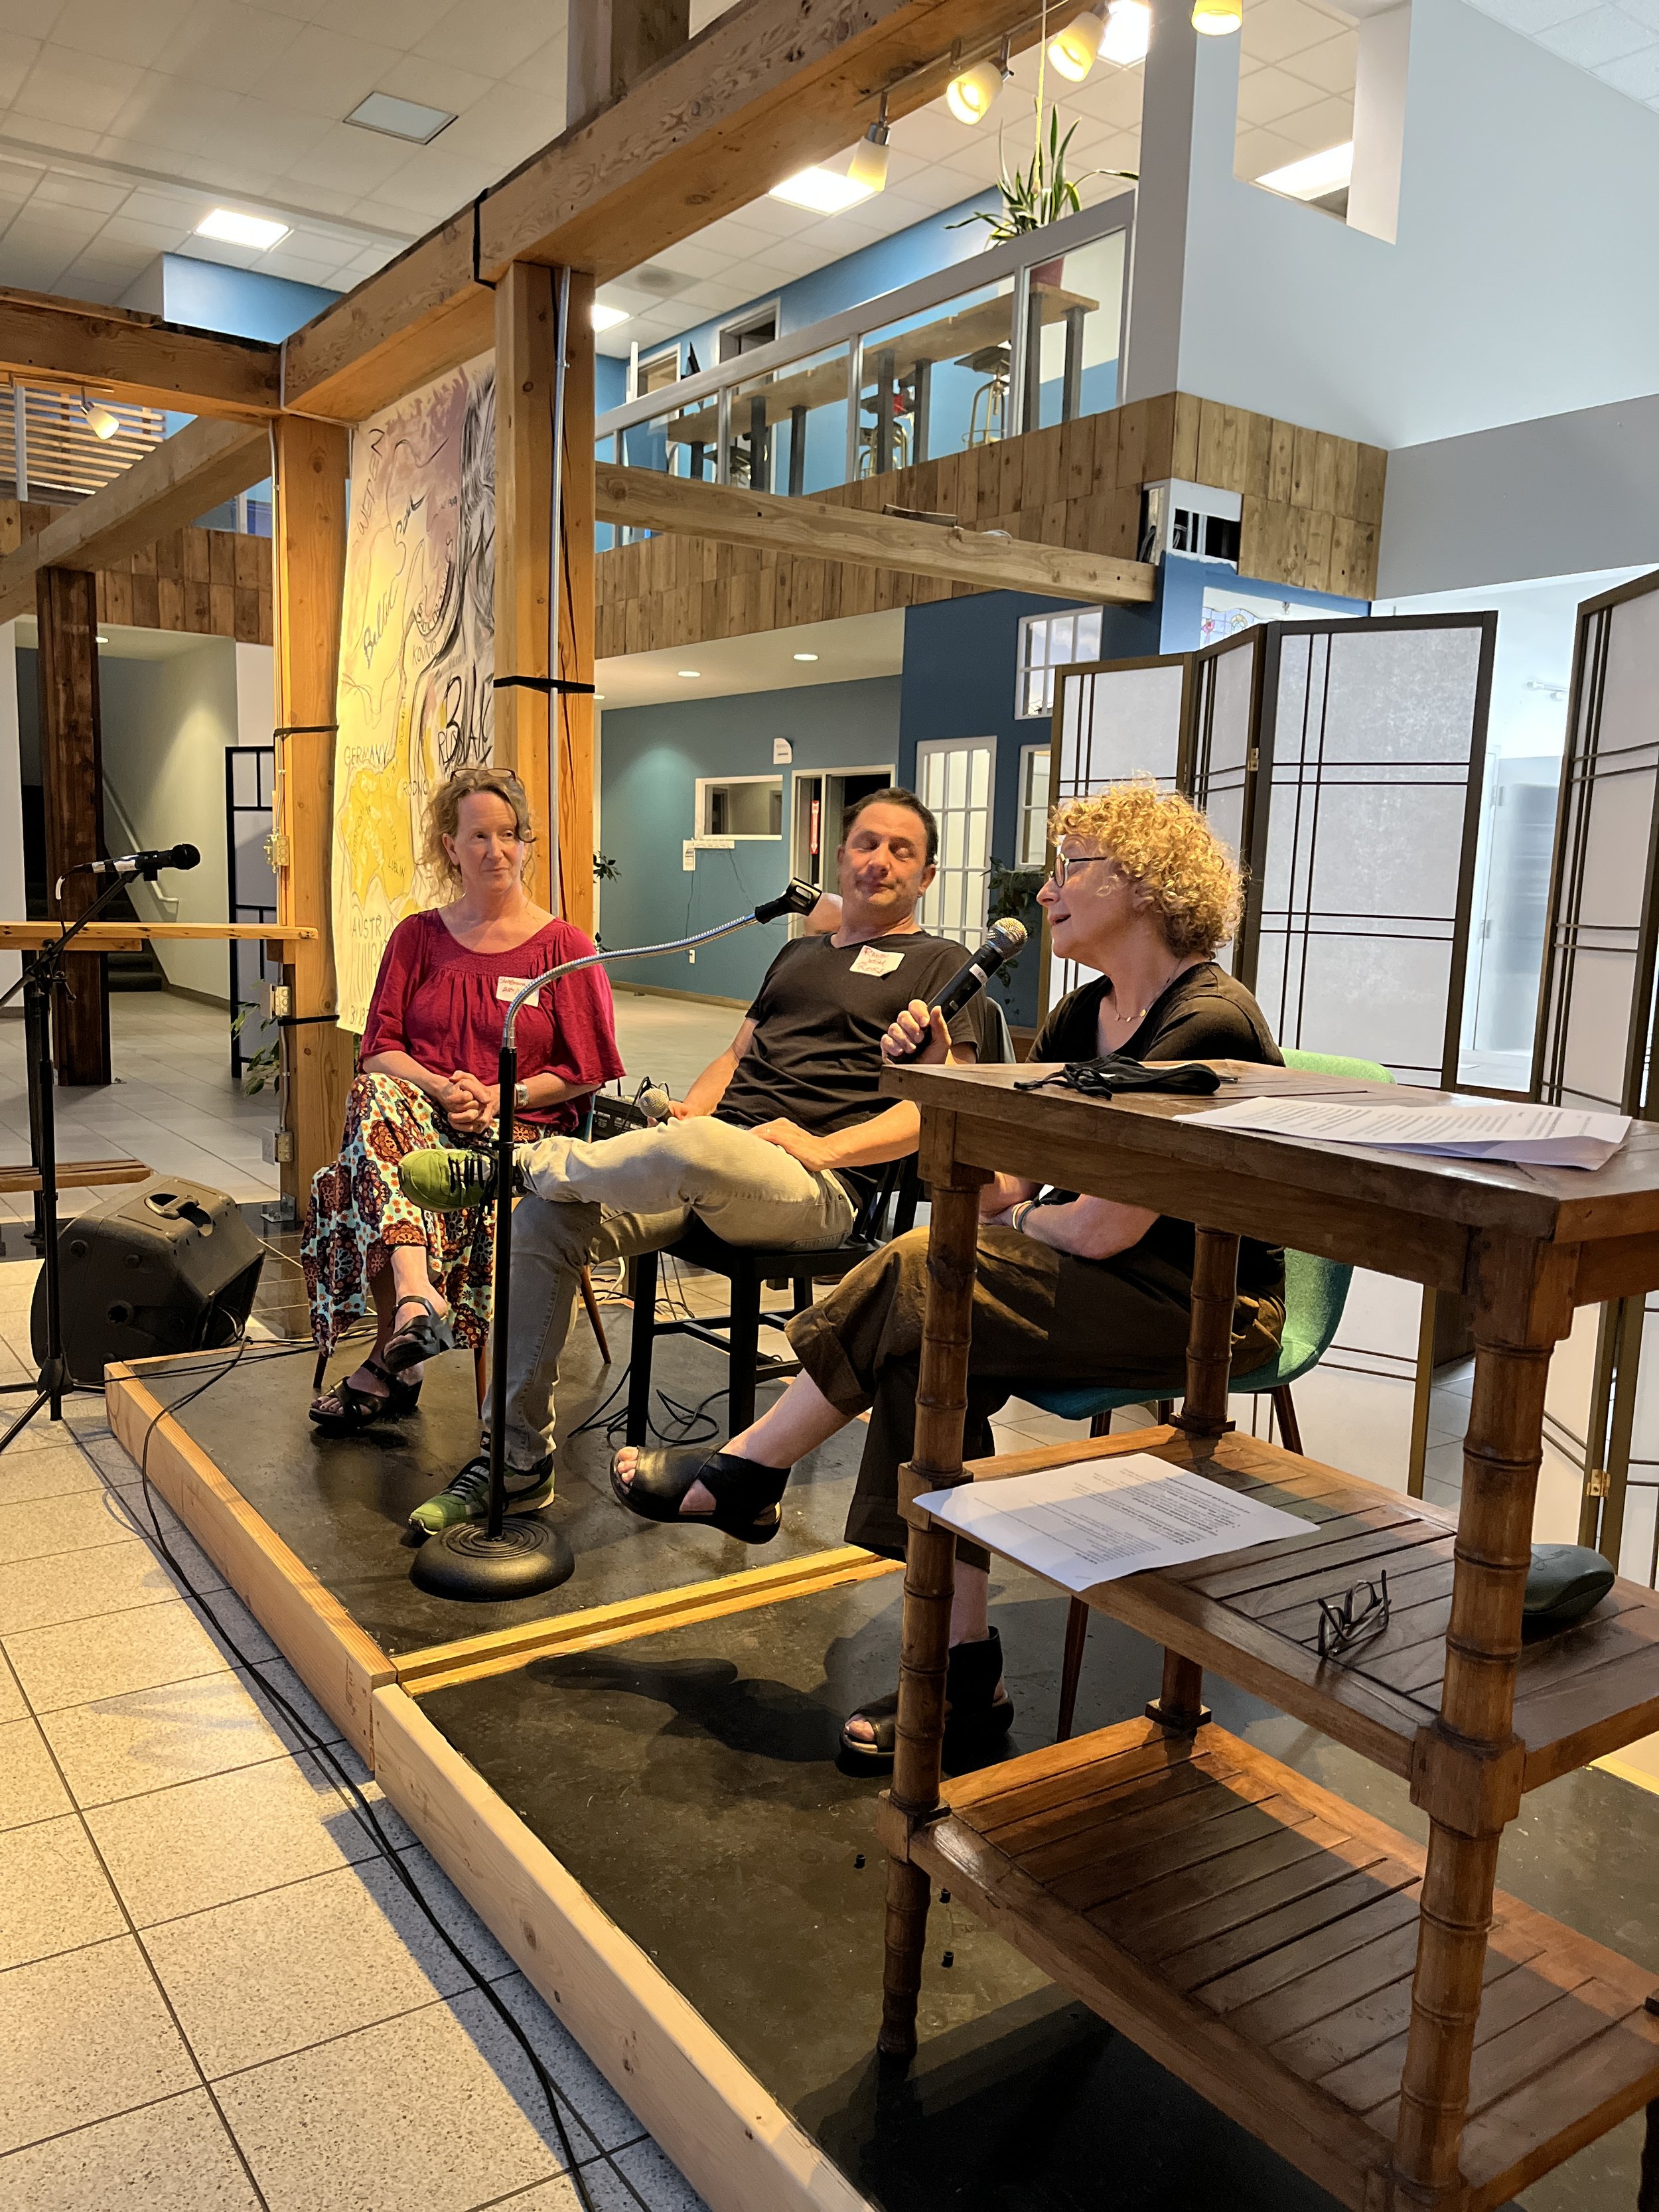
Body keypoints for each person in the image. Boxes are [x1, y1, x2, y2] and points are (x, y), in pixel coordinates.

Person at [609, 780, 1285, 1768]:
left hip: (1204, 1306)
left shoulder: (1206, 1021)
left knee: (931, 1274)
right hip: (1100, 1283)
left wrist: (1016, 1218)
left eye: (1071, 869)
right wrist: (943, 1082)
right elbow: (1002, 1186)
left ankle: (751, 1468)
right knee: (933, 1326)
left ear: (1140, 885)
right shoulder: (1081, 1016)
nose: (1046, 892)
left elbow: (1101, 1229)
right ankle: (964, 1678)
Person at [397, 789, 982, 1536]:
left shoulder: (943, 966)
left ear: (927, 876)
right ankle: (514, 1464)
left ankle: (521, 1163)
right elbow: (734, 1057)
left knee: (679, 1151)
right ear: (839, 858)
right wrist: (694, 1113)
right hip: (715, 1162)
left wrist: (822, 1147)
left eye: (902, 851)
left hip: (816, 1187)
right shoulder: (798, 953)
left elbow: (937, 1110)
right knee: (544, 1222)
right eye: (866, 844)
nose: (880, 862)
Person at [303, 765, 623, 1434]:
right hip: (425, 1117)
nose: (496, 851)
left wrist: (501, 1097)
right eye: (479, 836)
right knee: (375, 1095)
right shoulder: (417, 937)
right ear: (450, 846)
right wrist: (443, 1087)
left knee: (367, 1165)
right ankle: (418, 1298)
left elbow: (588, 1068)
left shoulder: (564, 947)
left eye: (510, 835)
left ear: (526, 843)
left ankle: (398, 1357)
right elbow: (380, 1048)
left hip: (524, 1133)